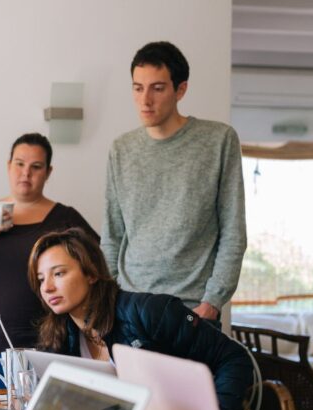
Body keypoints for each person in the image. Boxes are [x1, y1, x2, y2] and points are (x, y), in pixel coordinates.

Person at [28, 228, 251, 410]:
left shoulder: (150, 312)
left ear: (91, 274)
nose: (47, 287)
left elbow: (234, 358)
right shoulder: (59, 336)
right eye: (40, 279)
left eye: (58, 274)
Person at [102, 41, 246, 325]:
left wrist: (212, 302)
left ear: (180, 90)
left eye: (157, 88)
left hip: (192, 310)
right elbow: (112, 235)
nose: (145, 100)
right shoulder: (122, 149)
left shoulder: (218, 140)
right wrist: (108, 298)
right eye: (137, 88)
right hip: (130, 306)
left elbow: (233, 231)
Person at [0, 132, 98, 359]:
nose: (26, 173)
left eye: (36, 166)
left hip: (50, 348)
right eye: (19, 164)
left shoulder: (65, 218)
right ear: (8, 165)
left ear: (48, 172)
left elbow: (98, 271)